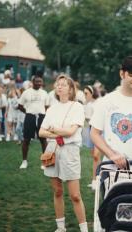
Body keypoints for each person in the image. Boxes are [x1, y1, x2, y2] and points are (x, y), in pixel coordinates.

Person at [39, 75, 88, 232]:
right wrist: (58, 134)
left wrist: (53, 130)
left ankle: (84, 229)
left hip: (70, 151)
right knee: (57, 191)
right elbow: (41, 132)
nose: (59, 87)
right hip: (52, 150)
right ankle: (61, 227)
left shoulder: (77, 107)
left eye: (63, 85)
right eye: (57, 84)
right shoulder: (52, 108)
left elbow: (71, 131)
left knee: (75, 195)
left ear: (71, 89)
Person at [18, 71, 49, 169]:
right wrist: (28, 113)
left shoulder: (44, 93)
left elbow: (47, 106)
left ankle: (44, 162)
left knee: (43, 140)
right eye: (37, 82)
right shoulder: (26, 92)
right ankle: (24, 161)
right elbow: (20, 106)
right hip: (29, 117)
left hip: (41, 117)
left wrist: (42, 114)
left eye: (40, 82)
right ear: (33, 82)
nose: (39, 83)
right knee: (26, 140)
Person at [83, 85, 101, 190]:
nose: (85, 95)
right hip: (91, 130)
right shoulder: (88, 104)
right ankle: (95, 179)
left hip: (98, 131)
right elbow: (87, 119)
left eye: (86, 93)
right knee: (94, 157)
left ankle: (96, 181)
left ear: (92, 93)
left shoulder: (99, 103)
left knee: (96, 156)